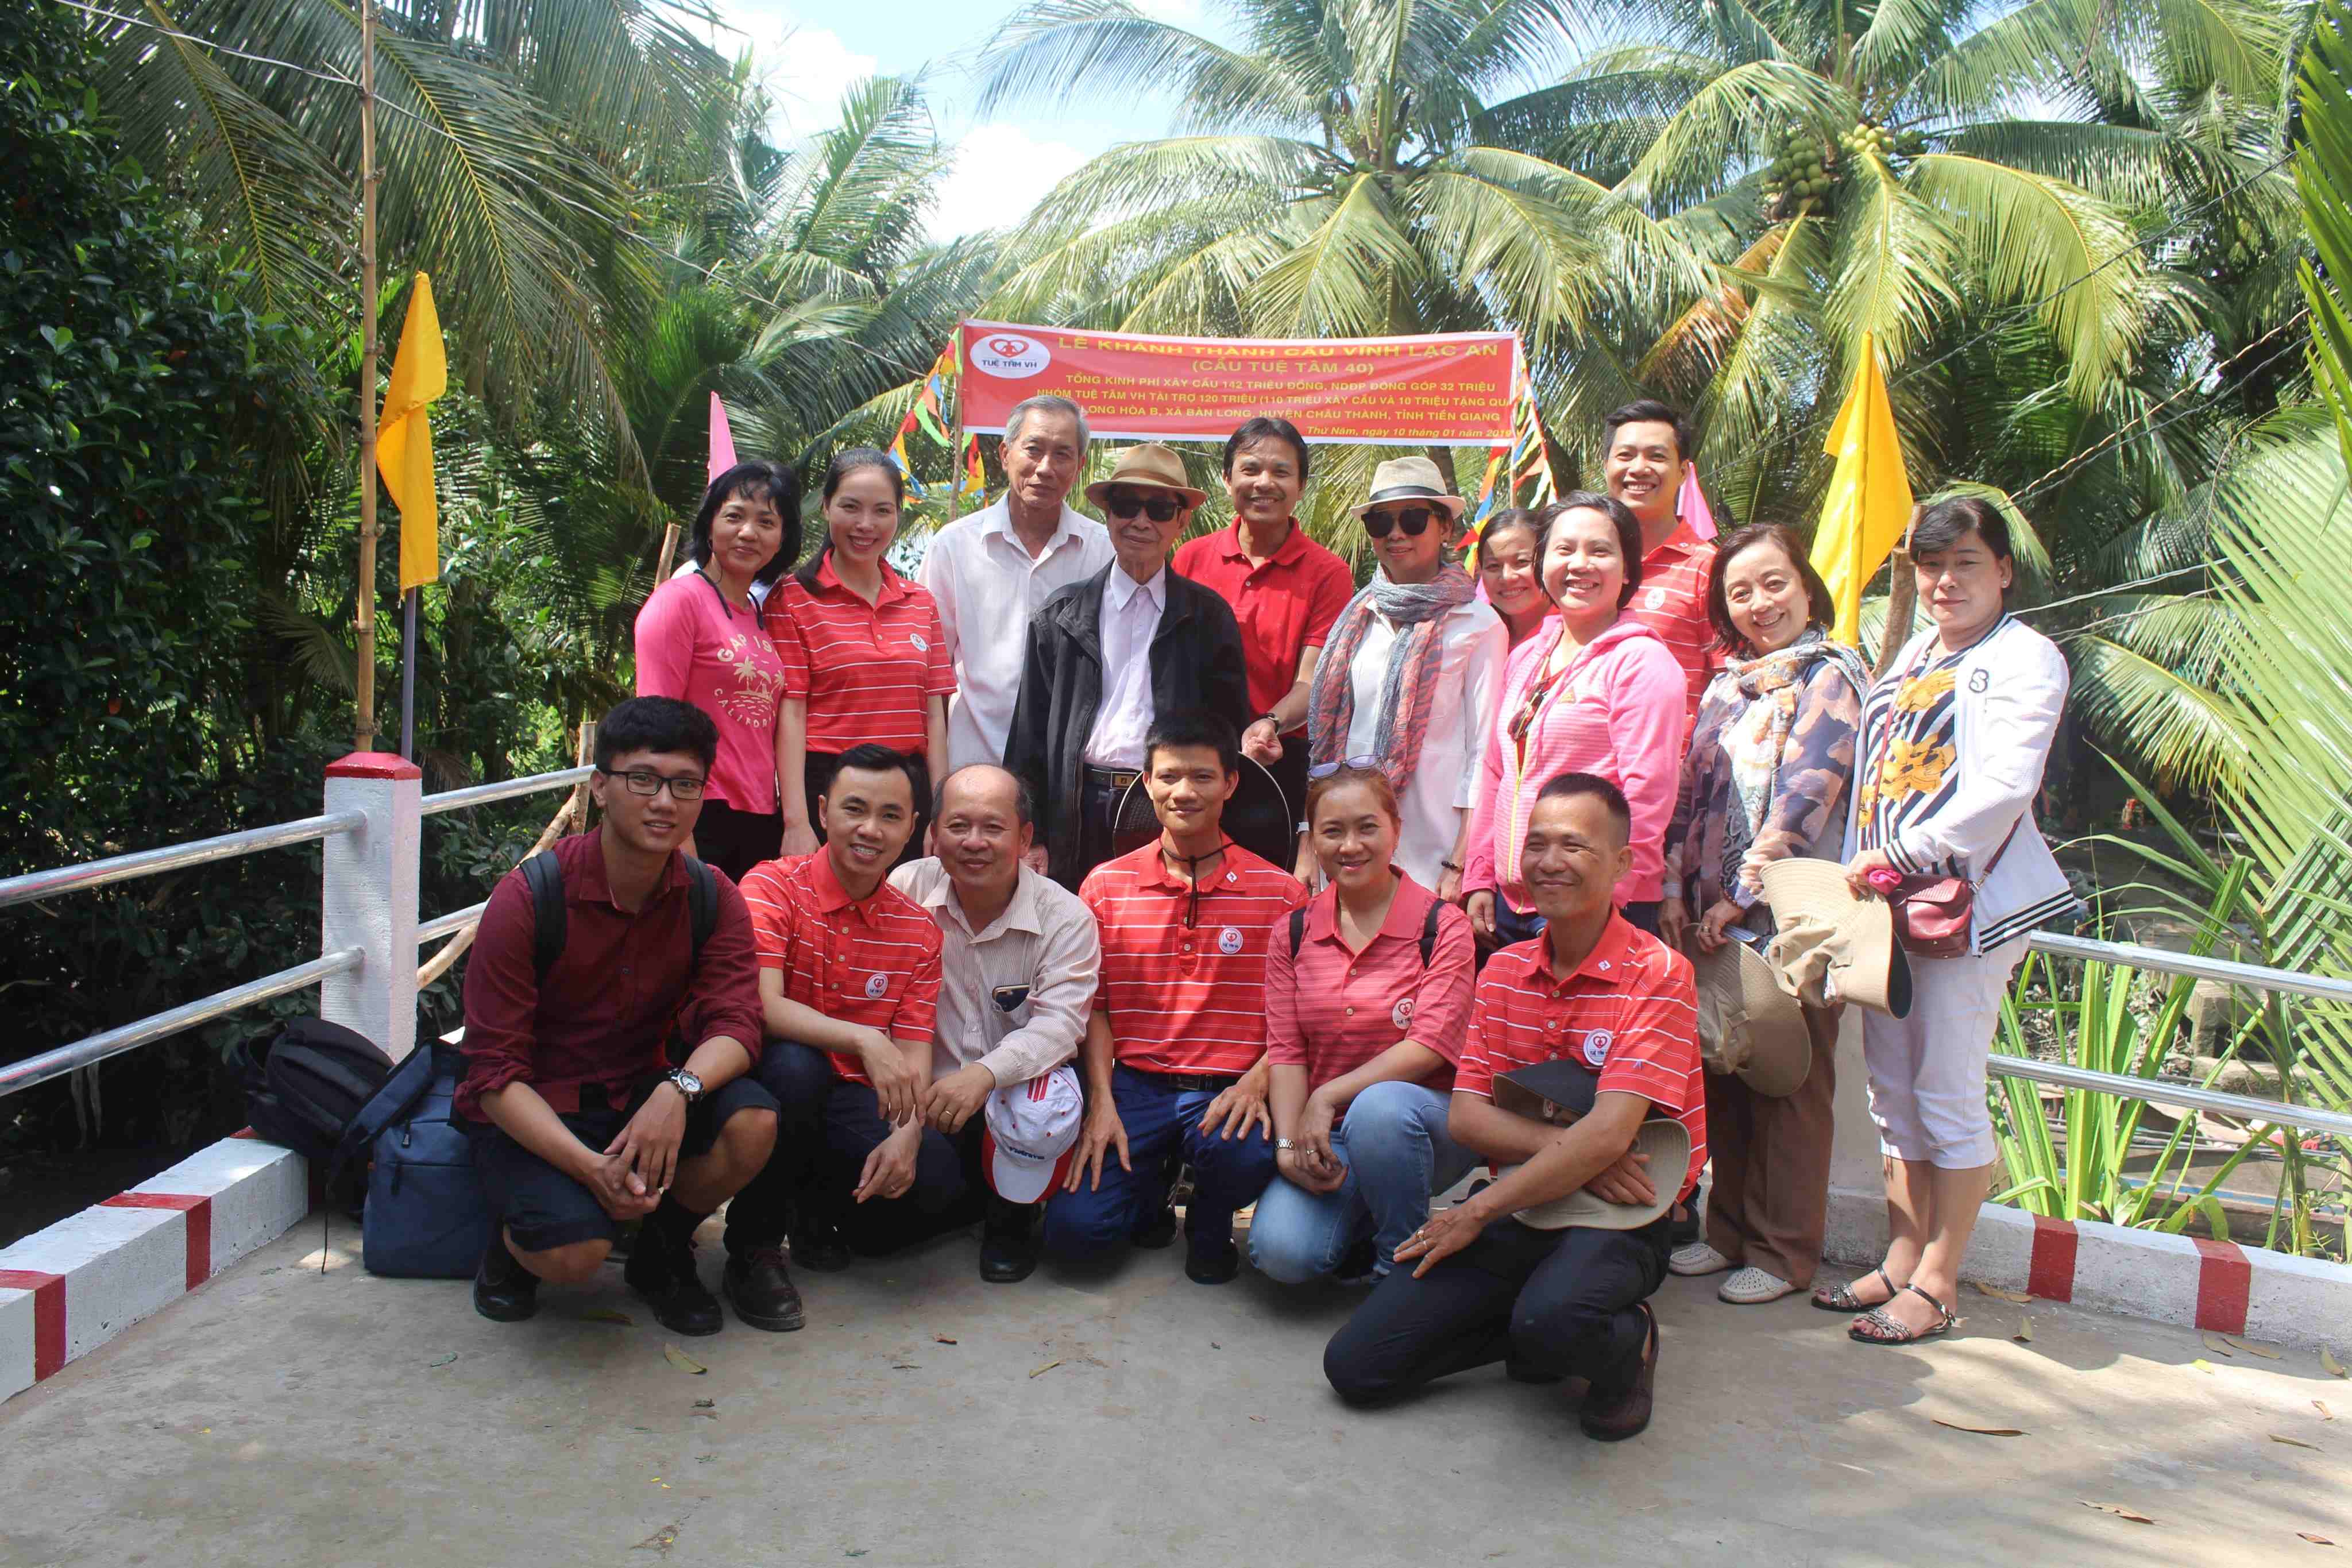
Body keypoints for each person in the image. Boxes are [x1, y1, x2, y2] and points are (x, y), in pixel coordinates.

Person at [1322, 774, 1702, 1441]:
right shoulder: (1503, 970)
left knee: (1555, 1320)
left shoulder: (1660, 972)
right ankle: (1535, 1333)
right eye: (1537, 844)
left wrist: (1473, 1212)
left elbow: (1613, 1130)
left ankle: (1627, 1344)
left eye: (1574, 846)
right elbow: (1469, 1120)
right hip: (1524, 1204)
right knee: (1357, 1367)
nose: (1550, 862)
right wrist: (1587, 1153)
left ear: (1622, 863)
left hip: (1624, 1215)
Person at [1822, 495, 2076, 1345]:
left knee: (1946, 1090)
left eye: (1964, 563)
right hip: (1887, 908)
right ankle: (1901, 1255)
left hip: (1961, 907)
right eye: (1930, 566)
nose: (1944, 581)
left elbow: (2004, 788)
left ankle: (1937, 1280)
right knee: (1891, 1091)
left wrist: (1904, 852)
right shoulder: (1915, 652)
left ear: (2002, 570)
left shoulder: (2024, 657)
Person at [459, 697, 779, 1335]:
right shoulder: (529, 897)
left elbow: (738, 1024)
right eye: (643, 780)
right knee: (575, 1256)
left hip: (641, 1091)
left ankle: (660, 1251)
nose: (664, 802)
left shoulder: (711, 895)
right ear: (601, 787)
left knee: (754, 1121)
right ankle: (513, 1248)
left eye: (685, 785)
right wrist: (592, 1172)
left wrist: (678, 1090)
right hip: (540, 1105)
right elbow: (491, 1074)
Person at [1657, 524, 1867, 1304]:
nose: (1759, 603)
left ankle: (1782, 1254)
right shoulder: (1728, 685)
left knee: (1792, 1082)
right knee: (1729, 1069)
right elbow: (1689, 795)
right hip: (1714, 917)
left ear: (1806, 587)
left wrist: (1740, 895)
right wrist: (1677, 891)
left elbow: (1807, 794)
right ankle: (1728, 1233)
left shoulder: (1830, 676)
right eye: (1739, 591)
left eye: (1774, 583)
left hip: (1794, 917)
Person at [1042, 712, 1309, 1284]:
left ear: (1230, 783)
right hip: (1135, 1087)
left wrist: (1256, 1082)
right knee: (1075, 1239)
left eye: (1202, 777)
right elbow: (1096, 1008)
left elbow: (1298, 1018)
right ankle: (1150, 1192)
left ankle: (1210, 1222)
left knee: (1243, 1155)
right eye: (1167, 776)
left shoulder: (1282, 894)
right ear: (1146, 782)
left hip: (1229, 1087)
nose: (1183, 792)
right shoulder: (1104, 886)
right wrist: (1101, 1102)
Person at [722, 746, 955, 1328]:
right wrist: (864, 1040)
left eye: (889, 815)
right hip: (765, 1081)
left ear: (912, 827)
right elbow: (762, 1005)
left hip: (849, 1095)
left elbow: (915, 1048)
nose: (870, 830)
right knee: (796, 1067)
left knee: (932, 1179)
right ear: (824, 811)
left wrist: (907, 1135)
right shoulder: (772, 885)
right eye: (855, 809)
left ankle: (814, 1209)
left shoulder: (918, 930)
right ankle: (752, 1247)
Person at [1250, 764, 1478, 1285]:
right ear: (1314, 841)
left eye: (1367, 827)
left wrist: (1327, 1095)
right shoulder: (1293, 931)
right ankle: (1369, 1215)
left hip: (1426, 1126)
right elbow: (1286, 1051)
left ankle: (1398, 1264)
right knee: (1282, 1256)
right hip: (1329, 1136)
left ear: (1396, 829)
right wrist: (1287, 1148)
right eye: (1332, 831)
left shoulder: (1442, 926)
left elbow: (1429, 1046)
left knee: (1381, 1108)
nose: (1350, 846)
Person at [1003, 443, 1253, 889]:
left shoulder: (1208, 618)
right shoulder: (1060, 614)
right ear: (1108, 515)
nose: (1140, 521)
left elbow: (1226, 733)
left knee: (1158, 926)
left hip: (1168, 806)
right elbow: (1029, 735)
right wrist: (1033, 835)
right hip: (1076, 808)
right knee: (1075, 924)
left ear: (1181, 521)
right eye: (1126, 506)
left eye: (1158, 509)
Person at [887, 764, 1102, 1282]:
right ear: (933, 833)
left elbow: (1059, 1026)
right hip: (924, 1096)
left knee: (1041, 1094)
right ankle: (968, 1198)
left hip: (1011, 1097)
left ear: (1023, 838)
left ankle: (1012, 1215)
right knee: (878, 1235)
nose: (974, 842)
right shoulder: (905, 888)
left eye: (993, 827)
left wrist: (983, 1075)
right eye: (958, 826)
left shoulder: (1066, 916)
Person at [1463, 493, 1685, 944]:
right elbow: (1496, 772)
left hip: (1594, 905)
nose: (1579, 564)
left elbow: (1647, 796)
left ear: (1627, 570)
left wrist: (1607, 903)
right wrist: (1480, 877)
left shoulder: (1640, 662)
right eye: (1564, 549)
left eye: (1599, 551)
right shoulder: (1526, 656)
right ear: (1542, 562)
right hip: (1512, 904)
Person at [1304, 456, 1507, 898]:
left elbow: (1483, 754)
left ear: (1445, 529)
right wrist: (1308, 839)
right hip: (1349, 853)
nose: (1396, 534)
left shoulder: (1477, 625)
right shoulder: (1357, 618)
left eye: (1413, 520)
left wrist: (1461, 861)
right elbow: (1327, 745)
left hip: (1431, 855)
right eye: (1381, 522)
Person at [768, 449, 952, 867]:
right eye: (850, 507)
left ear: (898, 514)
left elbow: (934, 715)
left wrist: (939, 812)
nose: (866, 525)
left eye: (882, 510)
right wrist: (796, 820)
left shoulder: (920, 601)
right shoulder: (792, 598)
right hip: (830, 789)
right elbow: (791, 713)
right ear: (826, 506)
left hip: (907, 794)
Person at [1172, 416, 1354, 831]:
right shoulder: (1190, 558)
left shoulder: (1328, 573)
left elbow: (1312, 680)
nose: (1264, 483)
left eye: (1281, 472)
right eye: (1250, 469)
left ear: (1301, 486)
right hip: (1194, 759)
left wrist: (1269, 723)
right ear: (1227, 479)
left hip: (1277, 760)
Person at [922, 395, 1113, 773]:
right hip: (971, 764)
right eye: (1033, 449)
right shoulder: (954, 546)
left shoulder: (1103, 551)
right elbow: (931, 673)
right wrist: (937, 779)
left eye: (1062, 454)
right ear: (1005, 454)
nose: (1045, 468)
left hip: (1068, 772)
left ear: (1080, 465)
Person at [632, 461, 801, 880]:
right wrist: (679, 838)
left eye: (766, 522)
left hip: (760, 815)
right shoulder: (678, 602)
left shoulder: (762, 614)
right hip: (697, 811)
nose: (748, 532)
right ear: (710, 525)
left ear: (782, 539)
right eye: (734, 516)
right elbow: (654, 725)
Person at [1602, 400, 1719, 727]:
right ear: (1607, 466)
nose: (1639, 468)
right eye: (1626, 455)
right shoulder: (1581, 566)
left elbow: (1730, 682)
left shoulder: (1709, 569)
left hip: (1670, 756)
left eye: (1656, 456)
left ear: (1683, 472)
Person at [1473, 508, 1551, 649]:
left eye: (1522, 562)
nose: (1507, 577)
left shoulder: (1576, 635)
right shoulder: (1474, 636)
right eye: (1493, 566)